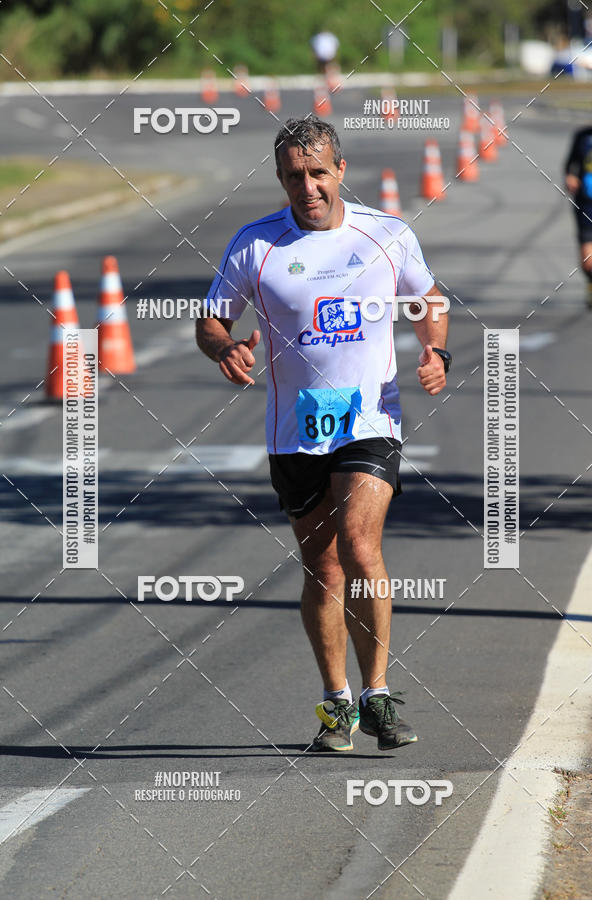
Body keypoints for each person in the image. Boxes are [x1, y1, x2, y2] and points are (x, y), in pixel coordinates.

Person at [196, 116, 450, 752]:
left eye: (317, 173)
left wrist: (435, 352)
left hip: (371, 420)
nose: (306, 187)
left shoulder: (386, 234)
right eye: (292, 176)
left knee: (361, 547)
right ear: (280, 179)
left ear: (341, 171)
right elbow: (210, 320)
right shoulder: (257, 245)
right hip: (293, 430)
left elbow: (428, 300)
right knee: (323, 567)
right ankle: (337, 703)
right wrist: (225, 345)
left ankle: (379, 695)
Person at [565, 125, 592, 308]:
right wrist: (570, 177)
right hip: (586, 203)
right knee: (587, 260)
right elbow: (570, 165)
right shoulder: (582, 136)